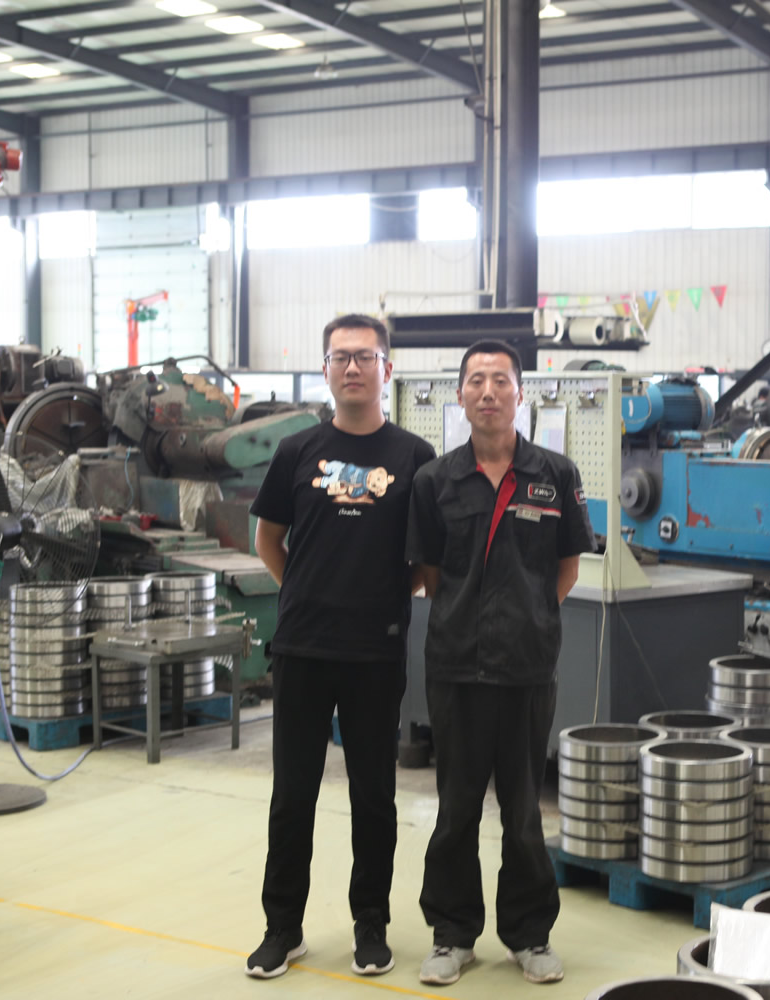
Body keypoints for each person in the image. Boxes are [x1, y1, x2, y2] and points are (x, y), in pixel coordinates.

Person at [245, 314, 435, 980]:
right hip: (302, 647)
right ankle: (282, 928)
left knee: (373, 798)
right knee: (292, 795)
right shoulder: (296, 451)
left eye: (364, 356)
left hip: (375, 652)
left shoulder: (415, 457)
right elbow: (268, 539)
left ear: (387, 369)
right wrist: (305, 591)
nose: (352, 367)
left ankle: (370, 925)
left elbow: (425, 564)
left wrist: (379, 600)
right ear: (325, 369)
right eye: (340, 357)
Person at [407, 339, 594, 986]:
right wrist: (473, 618)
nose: (488, 392)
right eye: (476, 381)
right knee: (456, 808)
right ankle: (452, 935)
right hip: (455, 665)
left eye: (500, 380)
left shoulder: (556, 475)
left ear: (521, 393)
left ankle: (529, 934)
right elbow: (431, 575)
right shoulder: (434, 481)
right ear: (460, 395)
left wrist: (527, 617)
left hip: (526, 668)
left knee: (523, 811)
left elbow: (566, 569)